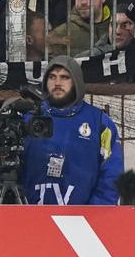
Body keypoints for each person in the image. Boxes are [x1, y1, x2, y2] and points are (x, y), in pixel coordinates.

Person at [13, 55, 123, 205]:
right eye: (52, 77)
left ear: (76, 82)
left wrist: (96, 214)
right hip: (30, 219)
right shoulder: (28, 119)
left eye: (64, 77)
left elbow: (112, 175)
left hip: (83, 221)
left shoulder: (100, 123)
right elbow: (9, 169)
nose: (57, 83)